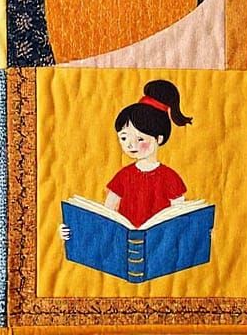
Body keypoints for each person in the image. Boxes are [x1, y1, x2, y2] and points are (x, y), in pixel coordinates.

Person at [60, 79, 191, 239]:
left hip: (162, 243)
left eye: (140, 139)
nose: (130, 145)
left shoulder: (170, 178)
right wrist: (72, 230)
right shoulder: (124, 176)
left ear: (159, 139)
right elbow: (106, 216)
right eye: (124, 138)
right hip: (122, 242)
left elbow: (181, 217)